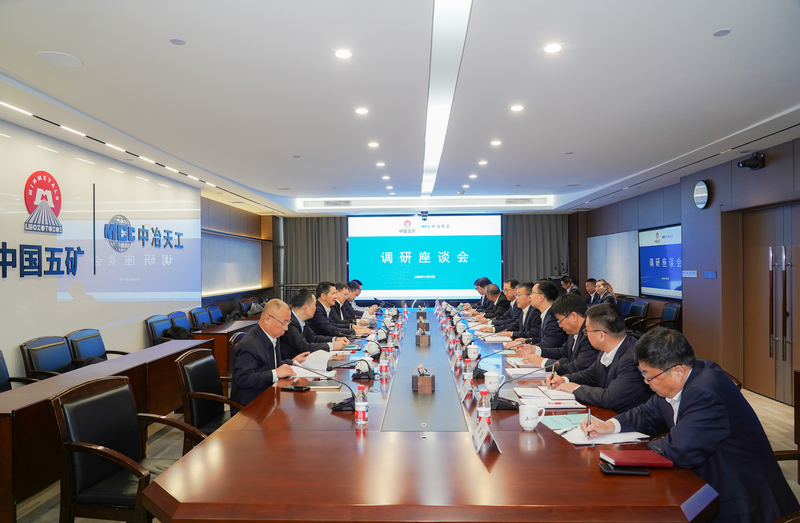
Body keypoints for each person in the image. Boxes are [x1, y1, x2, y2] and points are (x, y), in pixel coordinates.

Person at [581, 328, 800, 523]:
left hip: (739, 499)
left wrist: (626, 456)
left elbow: (680, 449)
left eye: (648, 376)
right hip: (704, 484)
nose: (646, 383)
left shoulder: (706, 392)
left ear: (677, 371)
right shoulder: (679, 379)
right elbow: (646, 413)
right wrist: (608, 425)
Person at [546, 303, 652, 413]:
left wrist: (575, 388)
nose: (586, 335)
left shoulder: (634, 358)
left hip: (627, 418)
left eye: (586, 331)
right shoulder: (606, 349)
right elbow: (590, 375)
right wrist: (564, 380)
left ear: (601, 335)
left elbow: (610, 398)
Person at [231, 299, 307, 407]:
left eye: (288, 323)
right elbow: (244, 379)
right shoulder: (248, 345)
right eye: (284, 323)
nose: (286, 328)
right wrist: (275, 373)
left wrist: (292, 362)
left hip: (270, 396)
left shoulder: (272, 336)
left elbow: (268, 364)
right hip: (250, 406)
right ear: (267, 320)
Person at [516, 293, 598, 374]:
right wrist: (535, 349)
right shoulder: (573, 332)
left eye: (560, 321)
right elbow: (563, 352)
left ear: (574, 316)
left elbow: (577, 367)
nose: (559, 325)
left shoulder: (590, 335)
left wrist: (544, 362)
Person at [282, 289, 348, 360]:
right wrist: (331, 346)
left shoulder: (302, 320)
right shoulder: (290, 324)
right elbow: (305, 347)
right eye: (314, 305)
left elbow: (313, 338)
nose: (315, 309)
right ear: (306, 308)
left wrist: (335, 339)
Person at [529, 280, 568, 349]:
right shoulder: (547, 313)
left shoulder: (554, 316)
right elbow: (542, 339)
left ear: (541, 297)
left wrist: (527, 348)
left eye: (532, 293)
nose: (530, 296)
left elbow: (548, 345)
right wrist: (527, 341)